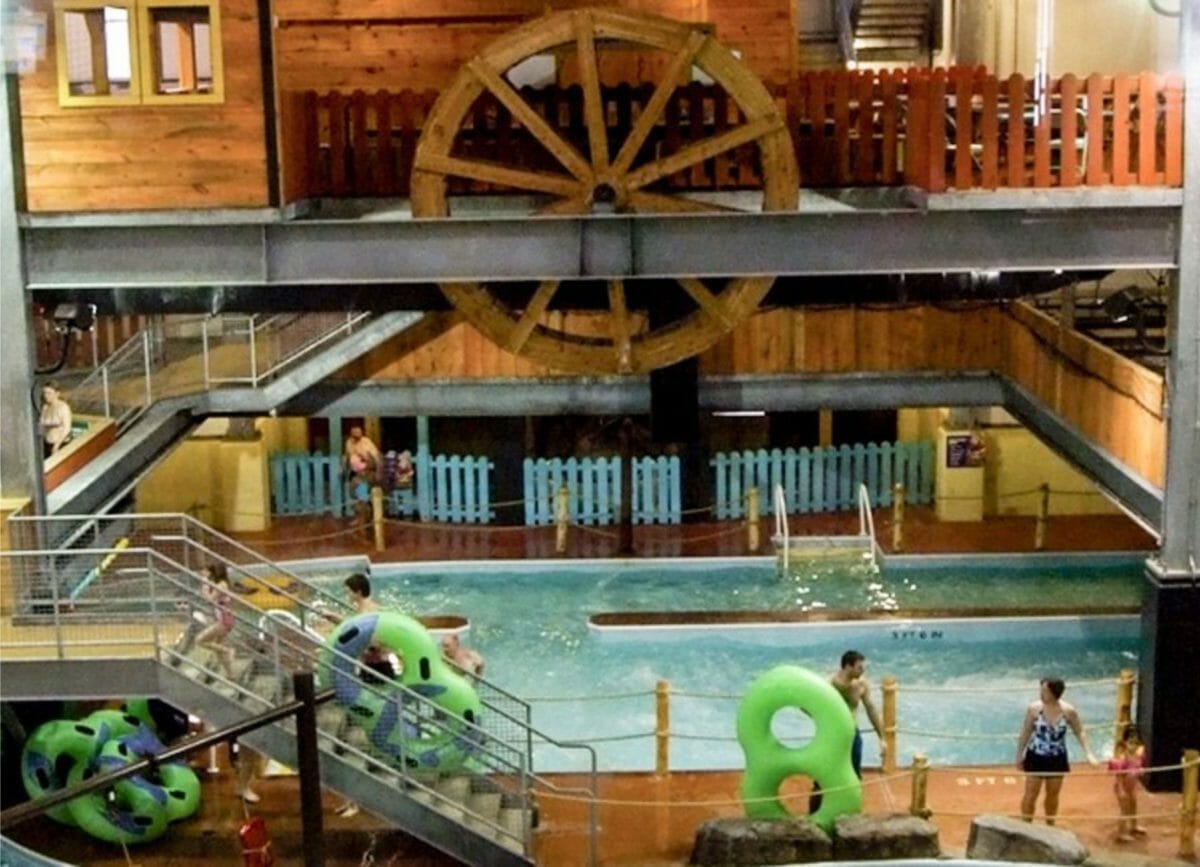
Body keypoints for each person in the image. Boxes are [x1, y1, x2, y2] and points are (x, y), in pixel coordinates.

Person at [1015, 676, 1098, 824]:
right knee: (1030, 794)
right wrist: (1019, 755)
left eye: (1044, 690)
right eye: (1040, 689)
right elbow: (1026, 732)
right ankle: (1025, 826)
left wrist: (1088, 753)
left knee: (1052, 794)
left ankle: (1050, 825)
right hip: (1036, 756)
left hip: (1057, 758)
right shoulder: (1034, 709)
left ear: (1054, 692)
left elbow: (1080, 731)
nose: (1041, 693)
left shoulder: (1068, 711)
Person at [810, 649, 886, 812]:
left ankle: (853, 813)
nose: (863, 670)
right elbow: (810, 707)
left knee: (855, 775)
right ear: (848, 666)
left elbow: (871, 709)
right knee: (821, 775)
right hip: (830, 734)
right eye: (860, 667)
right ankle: (813, 815)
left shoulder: (861, 685)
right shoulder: (829, 684)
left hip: (851, 733)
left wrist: (882, 737)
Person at [195, 564, 238, 679]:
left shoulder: (222, 584)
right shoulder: (220, 584)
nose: (203, 572)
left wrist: (204, 584)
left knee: (199, 640)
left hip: (224, 620)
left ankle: (228, 650)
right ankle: (231, 675)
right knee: (218, 649)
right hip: (223, 618)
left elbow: (209, 599)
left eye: (207, 570)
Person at [1108, 724, 1147, 841]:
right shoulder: (1122, 757)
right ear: (1125, 742)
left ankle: (1134, 826)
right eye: (1130, 742)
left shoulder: (1137, 756)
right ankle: (1121, 833)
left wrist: (1141, 771)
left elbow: (1136, 769)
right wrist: (1121, 791)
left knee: (1133, 806)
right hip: (1122, 788)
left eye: (1136, 743)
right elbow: (1119, 776)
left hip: (1132, 787)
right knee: (1124, 810)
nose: (1133, 746)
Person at [343, 426, 382, 537]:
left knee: (362, 498)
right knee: (354, 495)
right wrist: (344, 469)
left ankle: (364, 522)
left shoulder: (367, 443)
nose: (357, 434)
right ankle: (360, 517)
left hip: (365, 474)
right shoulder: (349, 443)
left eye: (359, 432)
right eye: (354, 432)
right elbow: (347, 456)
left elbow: (376, 458)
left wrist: (378, 472)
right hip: (355, 473)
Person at [39, 382, 72, 459]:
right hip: (47, 443)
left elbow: (67, 428)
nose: (46, 396)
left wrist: (56, 445)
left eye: (49, 393)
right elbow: (41, 426)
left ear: (57, 394)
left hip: (60, 444)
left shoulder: (63, 407)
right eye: (45, 393)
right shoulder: (45, 407)